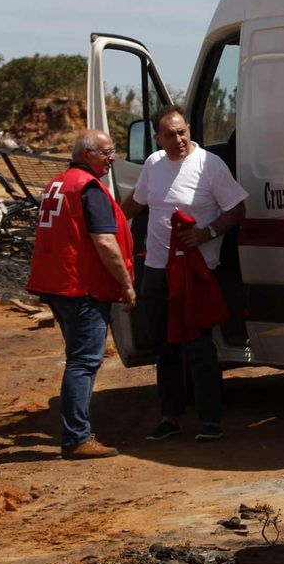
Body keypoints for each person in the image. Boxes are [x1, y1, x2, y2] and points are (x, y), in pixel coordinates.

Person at [121, 105, 248, 442]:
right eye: (169, 135)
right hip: (157, 270)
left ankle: (210, 421)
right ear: (157, 138)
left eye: (182, 132)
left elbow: (237, 209)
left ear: (189, 129)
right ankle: (170, 417)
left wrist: (206, 233)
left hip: (196, 274)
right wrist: (108, 222)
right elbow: (136, 202)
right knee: (163, 347)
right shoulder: (153, 164)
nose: (178, 140)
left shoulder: (210, 165)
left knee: (199, 347)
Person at [25, 130, 137, 459]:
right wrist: (126, 283)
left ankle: (78, 433)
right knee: (83, 362)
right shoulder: (89, 189)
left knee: (78, 358)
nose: (112, 158)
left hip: (57, 285)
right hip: (81, 287)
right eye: (107, 152)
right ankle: (77, 437)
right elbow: (104, 242)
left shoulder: (58, 184)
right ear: (87, 154)